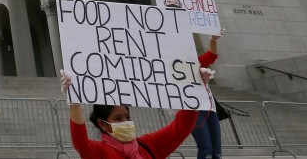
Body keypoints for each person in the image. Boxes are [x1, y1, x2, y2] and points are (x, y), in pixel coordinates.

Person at [61, 68, 215, 159]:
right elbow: (80, 141)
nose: (126, 122)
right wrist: (74, 102)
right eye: (117, 118)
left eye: (127, 117)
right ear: (102, 124)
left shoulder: (147, 145)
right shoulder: (99, 152)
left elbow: (180, 128)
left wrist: (196, 90)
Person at [193, 29, 225, 159]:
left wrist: (213, 39)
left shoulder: (197, 62)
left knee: (216, 151)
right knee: (206, 148)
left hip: (209, 108)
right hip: (193, 110)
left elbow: (210, 56)